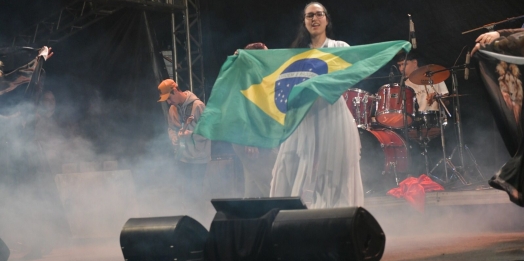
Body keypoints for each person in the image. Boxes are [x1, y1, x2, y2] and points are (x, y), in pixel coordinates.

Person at [270, 2, 364, 208]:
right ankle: (288, 216)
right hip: (304, 116)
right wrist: (250, 59)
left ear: (326, 19)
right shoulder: (297, 54)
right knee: (289, 164)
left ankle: (338, 216)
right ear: (304, 22)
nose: (314, 19)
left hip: (333, 114)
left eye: (319, 14)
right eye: (309, 16)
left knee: (335, 169)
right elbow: (275, 75)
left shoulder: (340, 48)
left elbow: (354, 73)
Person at [157, 79, 211, 219]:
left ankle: (200, 222)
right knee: (185, 193)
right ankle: (187, 222)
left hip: (199, 158)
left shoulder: (198, 106)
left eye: (169, 98)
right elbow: (171, 128)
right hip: (182, 158)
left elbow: (208, 131)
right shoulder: (173, 109)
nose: (169, 102)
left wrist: (190, 135)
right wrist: (174, 138)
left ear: (175, 91)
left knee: (197, 194)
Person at [232, 42, 279, 198]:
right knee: (271, 187)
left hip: (257, 139)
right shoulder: (248, 80)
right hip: (254, 140)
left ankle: (252, 221)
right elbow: (242, 110)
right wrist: (250, 140)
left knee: (254, 189)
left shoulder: (252, 77)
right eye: (265, 55)